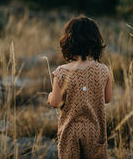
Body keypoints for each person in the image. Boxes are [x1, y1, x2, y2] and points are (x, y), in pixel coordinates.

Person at [48, 15, 113, 159]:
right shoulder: (104, 70)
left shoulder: (62, 72)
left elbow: (55, 102)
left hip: (70, 132)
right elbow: (107, 99)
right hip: (95, 131)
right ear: (96, 42)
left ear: (68, 42)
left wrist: (50, 96)